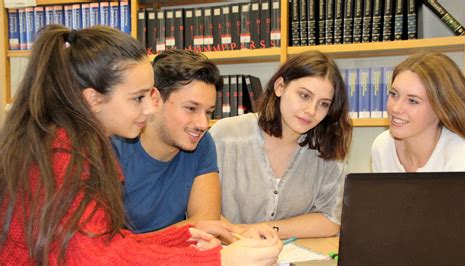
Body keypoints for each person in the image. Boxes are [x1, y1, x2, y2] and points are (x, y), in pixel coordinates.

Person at [0, 25, 281, 265]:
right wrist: (219, 259)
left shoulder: (75, 142)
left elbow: (104, 242)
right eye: (138, 98)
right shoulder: (63, 155)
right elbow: (94, 259)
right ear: (93, 100)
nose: (149, 109)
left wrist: (183, 234)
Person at [209, 50, 353, 239]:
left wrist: (264, 230)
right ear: (280, 87)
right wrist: (239, 235)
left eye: (324, 104)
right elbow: (202, 210)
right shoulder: (226, 136)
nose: (311, 110)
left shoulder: (328, 148)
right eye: (304, 95)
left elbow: (330, 220)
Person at [112, 50, 227, 236]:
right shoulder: (112, 146)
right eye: (191, 108)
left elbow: (207, 221)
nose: (203, 124)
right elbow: (102, 246)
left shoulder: (202, 142)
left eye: (208, 112)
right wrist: (186, 232)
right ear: (155, 100)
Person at [371, 52, 465, 172]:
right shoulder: (382, 147)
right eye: (394, 94)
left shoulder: (464, 155)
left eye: (413, 101)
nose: (395, 108)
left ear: (441, 109)